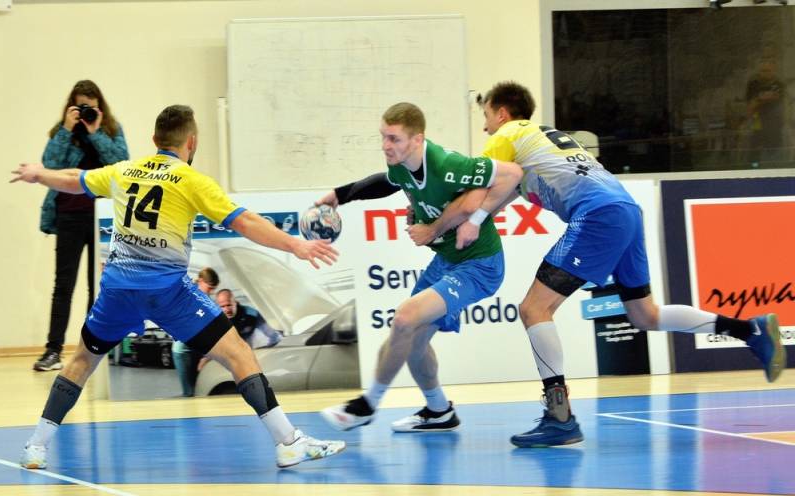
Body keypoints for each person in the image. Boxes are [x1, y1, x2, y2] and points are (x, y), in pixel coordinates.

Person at [424, 81, 786, 448]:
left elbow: (474, 198)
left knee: (534, 309)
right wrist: (464, 222)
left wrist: (433, 223)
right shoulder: (537, 143)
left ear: (502, 114)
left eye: (487, 116)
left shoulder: (508, 134)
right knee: (644, 315)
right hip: (625, 209)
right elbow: (492, 203)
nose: (485, 127)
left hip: (597, 214)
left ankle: (560, 416)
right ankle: (748, 330)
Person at [11, 104, 345, 469]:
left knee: (81, 361)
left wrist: (40, 174)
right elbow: (245, 222)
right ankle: (289, 442)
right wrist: (295, 245)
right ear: (192, 141)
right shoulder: (191, 180)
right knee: (238, 353)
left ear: (154, 139)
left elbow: (77, 179)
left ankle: (36, 447)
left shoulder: (124, 171)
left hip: (118, 292)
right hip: (168, 293)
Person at [318, 102, 524, 432]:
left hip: (479, 264)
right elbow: (386, 182)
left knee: (404, 318)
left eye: (394, 139)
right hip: (446, 261)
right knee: (410, 340)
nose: (386, 145)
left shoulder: (448, 165)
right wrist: (339, 195)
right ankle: (439, 410)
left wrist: (472, 220)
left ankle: (368, 404)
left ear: (417, 139)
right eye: (383, 137)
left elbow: (513, 175)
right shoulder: (401, 165)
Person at [34, 80, 129, 372]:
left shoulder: (110, 129)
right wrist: (66, 129)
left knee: (98, 286)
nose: (87, 111)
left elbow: (121, 163)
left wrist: (95, 132)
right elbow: (49, 165)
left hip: (102, 218)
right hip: (68, 216)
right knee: (63, 286)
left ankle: (91, 350)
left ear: (100, 106)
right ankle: (53, 351)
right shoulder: (62, 132)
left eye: (92, 107)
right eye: (81, 106)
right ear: (71, 106)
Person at [198, 289, 283, 371]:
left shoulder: (252, 314)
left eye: (229, 305)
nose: (227, 310)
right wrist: (206, 358)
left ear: (235, 302)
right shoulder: (214, 320)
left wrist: (267, 351)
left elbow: (272, 335)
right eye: (222, 306)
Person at [171, 267, 220, 396]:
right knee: (190, 392)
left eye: (213, 289)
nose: (211, 292)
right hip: (183, 352)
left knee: (200, 389)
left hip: (196, 349)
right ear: (201, 281)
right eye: (210, 288)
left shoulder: (204, 299)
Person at [746, 59, 787, 165]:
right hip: (757, 121)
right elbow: (750, 105)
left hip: (774, 123)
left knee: (774, 152)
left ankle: (774, 168)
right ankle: (754, 168)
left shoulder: (779, 84)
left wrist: (759, 99)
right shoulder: (753, 84)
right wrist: (764, 98)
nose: (765, 73)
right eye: (763, 70)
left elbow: (779, 100)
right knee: (754, 155)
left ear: (774, 70)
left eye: (768, 70)